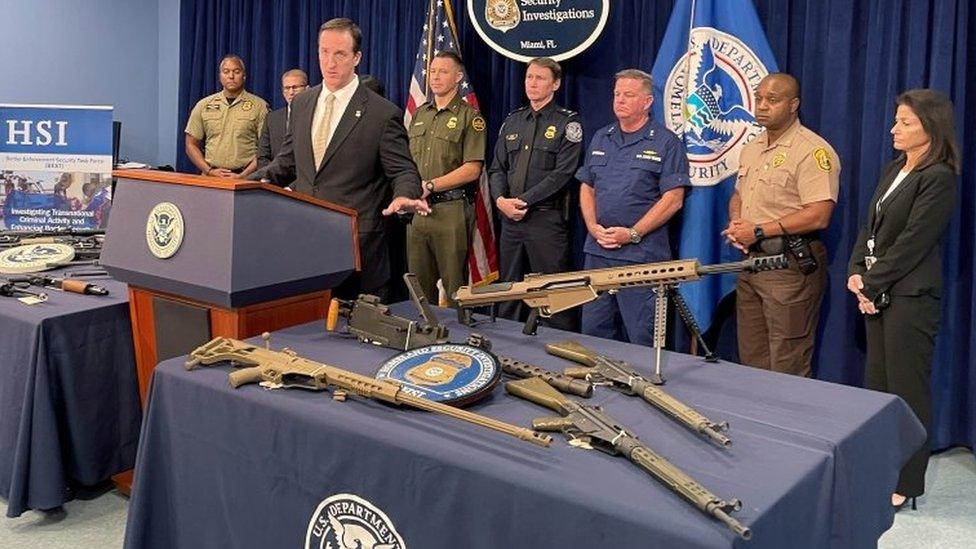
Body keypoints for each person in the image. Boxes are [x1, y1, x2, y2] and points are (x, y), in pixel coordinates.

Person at [252, 18, 429, 299]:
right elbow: (286, 164)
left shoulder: (382, 114)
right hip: (304, 242)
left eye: (340, 54)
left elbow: (403, 170)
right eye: (324, 52)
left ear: (356, 57)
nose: (330, 63)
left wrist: (405, 194)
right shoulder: (301, 103)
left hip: (357, 248)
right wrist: (239, 185)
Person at [847, 89, 958, 510]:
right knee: (878, 388)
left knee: (907, 391)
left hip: (911, 298)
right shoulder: (895, 167)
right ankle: (880, 468)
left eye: (905, 122)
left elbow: (914, 241)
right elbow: (869, 226)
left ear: (931, 127)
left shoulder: (940, 176)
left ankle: (908, 482)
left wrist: (872, 284)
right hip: (877, 291)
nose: (894, 128)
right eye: (896, 120)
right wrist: (857, 273)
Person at [722, 73, 840, 377]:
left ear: (793, 104)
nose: (762, 106)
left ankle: (787, 424)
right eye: (759, 98)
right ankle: (758, 422)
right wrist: (737, 222)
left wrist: (760, 230)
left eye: (772, 100)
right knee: (752, 359)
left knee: (787, 363)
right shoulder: (753, 147)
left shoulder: (812, 151)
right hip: (750, 264)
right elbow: (738, 194)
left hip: (788, 267)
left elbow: (819, 214)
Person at [574, 69, 688, 345]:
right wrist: (591, 226)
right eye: (616, 94)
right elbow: (587, 186)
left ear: (647, 102)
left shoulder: (666, 142)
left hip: (642, 257)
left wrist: (633, 233)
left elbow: (673, 199)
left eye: (628, 95)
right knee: (594, 332)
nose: (620, 100)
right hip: (598, 252)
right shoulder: (602, 137)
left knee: (643, 338)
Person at [488, 57, 582, 330]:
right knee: (509, 290)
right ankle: (505, 347)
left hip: (546, 220)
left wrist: (524, 200)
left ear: (556, 84)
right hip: (510, 220)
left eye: (540, 78)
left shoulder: (568, 123)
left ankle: (556, 350)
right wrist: (500, 200)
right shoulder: (513, 121)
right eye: (529, 77)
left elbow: (563, 174)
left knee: (552, 292)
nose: (532, 83)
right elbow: (497, 169)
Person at [406, 52, 486, 308]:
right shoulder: (419, 115)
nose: (435, 77)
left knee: (454, 289)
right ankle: (419, 341)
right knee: (418, 288)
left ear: (458, 77)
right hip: (418, 213)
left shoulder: (469, 117)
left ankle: (456, 343)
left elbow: (473, 169)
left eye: (443, 71)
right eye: (432, 71)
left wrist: (431, 186)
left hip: (451, 211)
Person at [185, 55, 268, 178]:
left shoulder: (259, 106)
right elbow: (191, 144)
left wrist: (243, 176)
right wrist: (209, 171)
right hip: (210, 177)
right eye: (226, 72)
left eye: (236, 72)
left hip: (246, 178)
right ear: (220, 76)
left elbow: (265, 149)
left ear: (244, 76)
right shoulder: (203, 105)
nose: (231, 76)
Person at [257, 69, 308, 180]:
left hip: (304, 185)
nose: (291, 92)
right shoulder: (272, 118)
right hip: (274, 183)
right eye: (287, 88)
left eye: (295, 87)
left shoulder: (315, 116)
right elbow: (263, 156)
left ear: (307, 89)